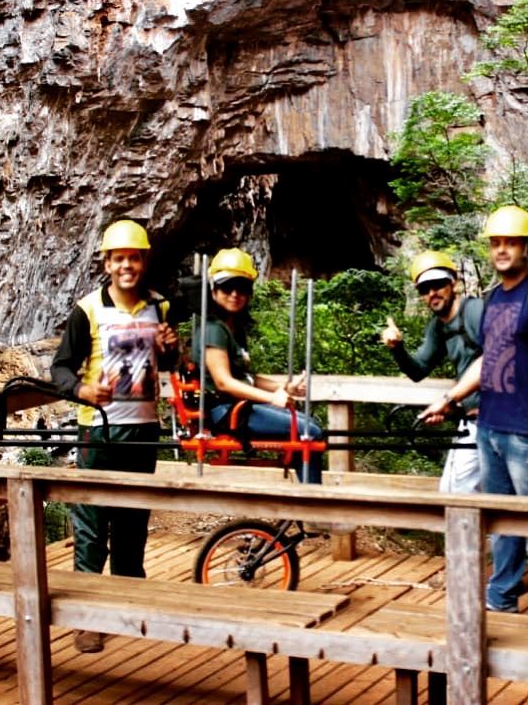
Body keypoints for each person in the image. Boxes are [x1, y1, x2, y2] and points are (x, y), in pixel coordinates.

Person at [421, 205, 528, 618]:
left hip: (527, 430)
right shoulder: (490, 301)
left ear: (527, 246)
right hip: (488, 427)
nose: (503, 250)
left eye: (511, 242)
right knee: (501, 523)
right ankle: (501, 598)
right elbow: (486, 361)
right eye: (497, 243)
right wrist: (449, 400)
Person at [50, 218, 179, 653]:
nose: (127, 265)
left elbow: (175, 366)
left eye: (134, 257)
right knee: (91, 522)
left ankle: (128, 605)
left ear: (144, 260)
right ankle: (88, 618)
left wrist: (172, 347)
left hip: (144, 427)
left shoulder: (159, 307)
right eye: (119, 258)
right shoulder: (87, 310)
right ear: (106, 262)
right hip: (98, 431)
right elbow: (60, 369)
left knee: (133, 518)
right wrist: (82, 390)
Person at [192, 247, 325, 483]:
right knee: (309, 433)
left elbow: (247, 377)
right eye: (227, 287)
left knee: (311, 425)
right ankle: (311, 504)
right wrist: (271, 398)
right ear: (213, 291)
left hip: (239, 407)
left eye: (242, 288)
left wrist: (283, 387)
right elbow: (224, 382)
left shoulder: (233, 328)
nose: (235, 293)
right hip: (225, 411)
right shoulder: (213, 329)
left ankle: (304, 495)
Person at [380, 250, 483, 493]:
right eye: (424, 289)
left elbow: (495, 361)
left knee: (456, 494)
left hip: (497, 421)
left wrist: (449, 401)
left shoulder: (476, 311)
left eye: (437, 285)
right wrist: (397, 348)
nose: (432, 293)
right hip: (473, 421)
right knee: (458, 493)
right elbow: (418, 370)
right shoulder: (438, 328)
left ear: (452, 283)